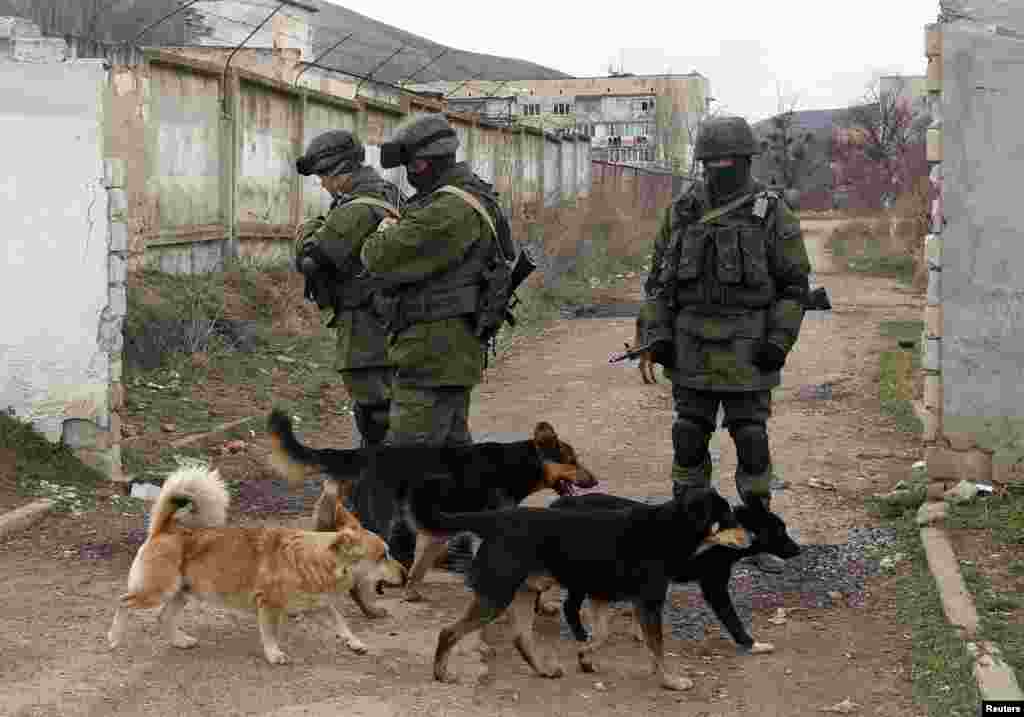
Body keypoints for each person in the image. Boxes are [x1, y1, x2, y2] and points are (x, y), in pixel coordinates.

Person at [636, 115, 812, 573]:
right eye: (711, 163)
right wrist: (657, 335)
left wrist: (779, 339)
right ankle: (688, 534)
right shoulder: (681, 212)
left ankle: (756, 536)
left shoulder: (772, 213)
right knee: (688, 438)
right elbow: (657, 284)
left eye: (728, 162)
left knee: (751, 440)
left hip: (750, 348)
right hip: (691, 346)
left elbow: (794, 286)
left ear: (747, 161)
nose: (719, 170)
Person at [359, 112, 515, 563]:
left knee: (408, 452)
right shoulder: (470, 194)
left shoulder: (448, 209)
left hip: (432, 346)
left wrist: (385, 230)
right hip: (449, 344)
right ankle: (470, 537)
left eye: (409, 164)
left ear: (424, 163)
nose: (407, 174)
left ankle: (404, 547)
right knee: (451, 449)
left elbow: (379, 256)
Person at [294, 129, 404, 530]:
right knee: (385, 423)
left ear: (342, 169)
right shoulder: (387, 194)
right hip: (387, 326)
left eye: (323, 174)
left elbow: (313, 258)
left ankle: (378, 524)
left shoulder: (356, 209)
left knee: (376, 425)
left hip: (367, 332)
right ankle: (379, 517)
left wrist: (307, 230)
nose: (321, 183)